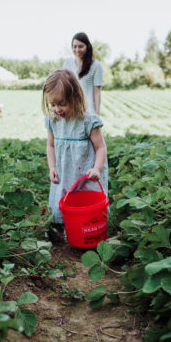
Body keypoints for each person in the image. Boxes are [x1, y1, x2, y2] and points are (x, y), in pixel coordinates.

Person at [42, 69, 108, 241]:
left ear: (75, 97)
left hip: (86, 173)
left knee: (86, 204)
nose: (57, 109)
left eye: (62, 103)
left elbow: (100, 147)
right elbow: (50, 146)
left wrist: (97, 169)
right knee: (63, 199)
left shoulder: (88, 120)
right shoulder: (53, 120)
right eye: (52, 104)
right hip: (64, 171)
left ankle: (89, 231)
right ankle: (60, 228)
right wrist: (52, 167)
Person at [62, 32, 103, 115]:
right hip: (71, 111)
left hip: (88, 112)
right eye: (74, 47)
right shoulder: (67, 64)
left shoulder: (96, 65)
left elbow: (97, 92)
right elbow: (63, 88)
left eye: (81, 46)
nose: (77, 50)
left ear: (87, 47)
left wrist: (97, 114)